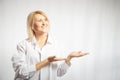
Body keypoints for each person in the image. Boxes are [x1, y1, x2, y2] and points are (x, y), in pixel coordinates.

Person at [11, 10, 88, 80]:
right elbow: (21, 72)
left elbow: (59, 73)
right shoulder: (23, 45)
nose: (44, 23)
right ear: (31, 26)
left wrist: (69, 58)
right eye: (40, 20)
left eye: (45, 20)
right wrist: (46, 61)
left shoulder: (57, 44)